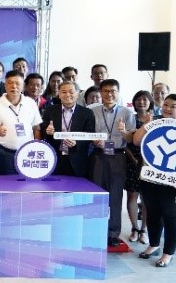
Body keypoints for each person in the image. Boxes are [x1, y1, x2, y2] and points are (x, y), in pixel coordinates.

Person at [136, 94, 176, 268]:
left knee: (171, 216)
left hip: (175, 181)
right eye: (165, 105)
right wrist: (148, 124)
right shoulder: (155, 122)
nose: (168, 108)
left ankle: (168, 253)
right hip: (151, 178)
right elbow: (136, 140)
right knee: (153, 213)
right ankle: (153, 245)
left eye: (173, 106)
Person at [89, 78, 135, 248]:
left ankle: (113, 233)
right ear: (101, 93)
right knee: (97, 194)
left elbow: (131, 139)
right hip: (98, 155)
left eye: (113, 91)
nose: (109, 94)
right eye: (106, 91)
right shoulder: (92, 111)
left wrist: (124, 132)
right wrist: (94, 140)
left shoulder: (127, 113)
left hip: (118, 156)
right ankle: (95, 231)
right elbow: (87, 133)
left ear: (118, 93)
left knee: (115, 196)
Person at [0, 70, 42, 175]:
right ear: (5, 85)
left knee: (27, 182)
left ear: (23, 86)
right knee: (6, 183)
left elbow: (36, 127)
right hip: (4, 153)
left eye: (17, 83)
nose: (14, 86)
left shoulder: (31, 103)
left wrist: (36, 146)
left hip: (28, 153)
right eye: (10, 83)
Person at [40, 81, 95, 177]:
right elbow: (42, 130)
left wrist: (76, 142)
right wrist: (47, 131)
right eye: (64, 92)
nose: (68, 95)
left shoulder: (87, 113)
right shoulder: (50, 110)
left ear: (77, 94)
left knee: (77, 185)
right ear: (59, 94)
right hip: (55, 157)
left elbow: (90, 134)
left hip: (77, 158)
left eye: (71, 92)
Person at [126, 90, 153, 244]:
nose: (141, 102)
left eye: (145, 100)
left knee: (147, 198)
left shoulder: (156, 119)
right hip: (132, 162)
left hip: (150, 164)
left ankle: (144, 230)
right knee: (132, 196)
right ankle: (134, 228)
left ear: (150, 102)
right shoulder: (131, 118)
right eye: (138, 100)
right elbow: (125, 142)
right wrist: (134, 160)